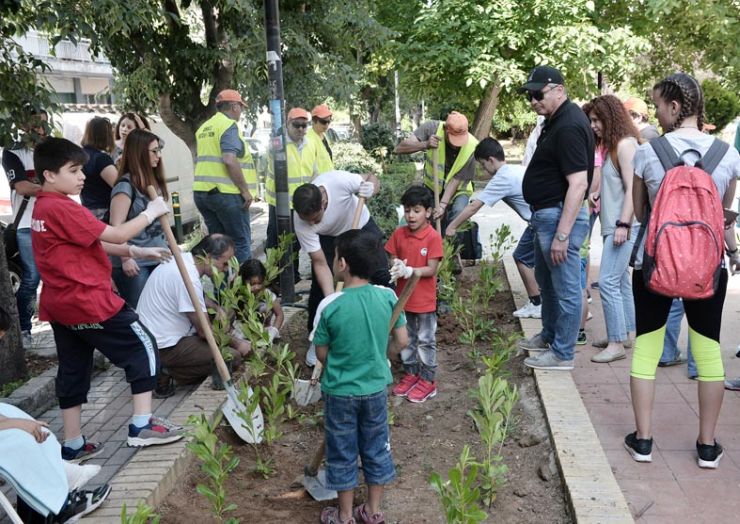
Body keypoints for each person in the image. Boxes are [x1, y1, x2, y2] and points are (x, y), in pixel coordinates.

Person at [30, 137, 184, 459]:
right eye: (73, 171)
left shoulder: (44, 207)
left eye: (81, 170)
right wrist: (151, 212)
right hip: (89, 300)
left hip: (61, 307)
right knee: (143, 345)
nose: (82, 177)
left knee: (73, 370)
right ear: (49, 175)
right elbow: (114, 232)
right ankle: (141, 425)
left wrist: (133, 250)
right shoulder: (62, 207)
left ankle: (72, 443)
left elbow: (92, 242)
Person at [627, 72, 740, 469]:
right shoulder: (727, 154)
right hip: (707, 268)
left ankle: (642, 441)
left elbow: (641, 213)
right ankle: (707, 446)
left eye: (658, 104)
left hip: (656, 264)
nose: (655, 112)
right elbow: (722, 215)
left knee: (647, 347)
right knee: (708, 349)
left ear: (674, 107)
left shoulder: (648, 151)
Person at [312, 229, 408, 524]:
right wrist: (382, 355)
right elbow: (402, 341)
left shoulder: (330, 305)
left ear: (342, 264)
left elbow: (321, 353)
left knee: (342, 451)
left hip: (340, 392)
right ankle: (373, 511)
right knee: (376, 446)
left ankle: (344, 515)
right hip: (376, 388)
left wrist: (340, 363)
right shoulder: (388, 297)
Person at [516, 65, 594, 371]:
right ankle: (549, 335)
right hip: (545, 217)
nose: (534, 101)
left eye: (539, 94)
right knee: (546, 283)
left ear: (559, 90)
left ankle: (563, 353)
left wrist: (563, 235)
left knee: (566, 288)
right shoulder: (555, 121)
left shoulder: (570, 125)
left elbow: (579, 183)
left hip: (559, 218)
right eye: (530, 96)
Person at [292, 170, 389, 366]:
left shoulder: (337, 182)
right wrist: (331, 301)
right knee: (320, 290)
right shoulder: (301, 221)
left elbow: (372, 178)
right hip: (329, 240)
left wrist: (372, 188)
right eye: (306, 219)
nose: (310, 223)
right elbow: (319, 263)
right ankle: (318, 336)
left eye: (315, 218)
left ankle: (386, 333)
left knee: (381, 276)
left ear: (324, 203)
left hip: (360, 226)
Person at [137, 234, 250, 393]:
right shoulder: (187, 277)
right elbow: (205, 332)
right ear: (208, 258)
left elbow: (199, 298)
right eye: (224, 264)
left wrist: (218, 309)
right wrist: (238, 343)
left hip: (162, 335)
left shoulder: (184, 260)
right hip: (164, 346)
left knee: (224, 315)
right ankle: (166, 371)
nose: (225, 269)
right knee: (232, 357)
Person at [445, 137, 541, 319]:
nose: (483, 169)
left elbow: (474, 206)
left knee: (522, 258)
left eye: (482, 165)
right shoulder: (516, 169)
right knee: (539, 263)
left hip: (538, 222)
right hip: (542, 219)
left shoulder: (502, 178)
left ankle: (537, 303)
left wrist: (452, 226)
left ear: (491, 159)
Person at [583, 95, 641, 363]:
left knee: (606, 281)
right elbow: (618, 185)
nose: (593, 125)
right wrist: (598, 194)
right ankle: (626, 334)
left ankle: (616, 342)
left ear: (610, 118)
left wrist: (623, 223)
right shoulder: (615, 146)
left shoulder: (625, 145)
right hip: (616, 225)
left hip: (623, 226)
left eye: (596, 120)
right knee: (619, 281)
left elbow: (633, 188)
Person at [386, 186, 443, 403]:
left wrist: (412, 271)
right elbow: (392, 254)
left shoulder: (432, 237)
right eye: (407, 210)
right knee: (407, 339)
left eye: (417, 210)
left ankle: (428, 380)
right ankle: (411, 374)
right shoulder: (399, 233)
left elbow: (432, 269)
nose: (411, 215)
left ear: (428, 212)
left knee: (426, 340)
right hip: (403, 299)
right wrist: (396, 264)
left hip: (424, 301)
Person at [2, 107, 48, 349]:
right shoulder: (13, 153)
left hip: (54, 222)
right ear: (22, 127)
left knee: (57, 274)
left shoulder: (52, 150)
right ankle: (24, 328)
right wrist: (53, 186)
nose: (38, 130)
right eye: (33, 124)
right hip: (26, 225)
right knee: (32, 278)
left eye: (42, 124)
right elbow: (21, 186)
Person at [193, 89, 257, 263]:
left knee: (218, 246)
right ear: (235, 106)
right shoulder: (228, 126)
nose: (241, 112)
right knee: (240, 243)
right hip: (226, 195)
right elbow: (229, 159)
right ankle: (241, 289)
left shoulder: (204, 127)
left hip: (202, 194)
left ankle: (221, 289)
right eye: (241, 107)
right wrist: (245, 190)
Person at [395, 111, 479, 241]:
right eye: (453, 140)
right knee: (428, 218)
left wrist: (443, 205)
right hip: (432, 187)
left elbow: (456, 179)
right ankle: (428, 251)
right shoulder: (431, 128)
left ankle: (451, 253)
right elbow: (399, 148)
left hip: (459, 190)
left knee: (458, 214)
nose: (456, 146)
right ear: (446, 130)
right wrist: (425, 144)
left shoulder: (472, 146)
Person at [109, 129, 170, 308]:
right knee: (141, 311)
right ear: (139, 153)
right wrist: (126, 259)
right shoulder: (125, 186)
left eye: (159, 150)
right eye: (154, 151)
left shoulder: (153, 182)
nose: (158, 156)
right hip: (136, 263)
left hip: (158, 257)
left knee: (160, 308)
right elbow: (115, 228)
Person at [265, 107, 317, 281]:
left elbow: (313, 173)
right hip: (279, 203)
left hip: (300, 205)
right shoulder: (278, 143)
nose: (301, 129)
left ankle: (292, 277)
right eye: (297, 125)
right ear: (288, 124)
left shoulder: (309, 145)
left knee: (294, 244)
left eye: (304, 125)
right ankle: (274, 279)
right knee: (275, 243)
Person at [80, 116, 117, 220]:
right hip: (103, 212)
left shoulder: (80, 155)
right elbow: (119, 185)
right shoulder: (101, 159)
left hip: (87, 210)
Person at [238, 259, 284, 338]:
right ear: (244, 282)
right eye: (252, 284)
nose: (256, 287)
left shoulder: (267, 294)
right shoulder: (240, 296)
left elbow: (280, 315)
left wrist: (273, 332)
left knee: (264, 308)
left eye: (259, 283)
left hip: (265, 330)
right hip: (245, 330)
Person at [307, 104, 335, 174]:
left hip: (327, 181)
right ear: (314, 121)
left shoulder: (324, 135)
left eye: (329, 121)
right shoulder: (308, 139)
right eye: (323, 122)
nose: (327, 125)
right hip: (318, 182)